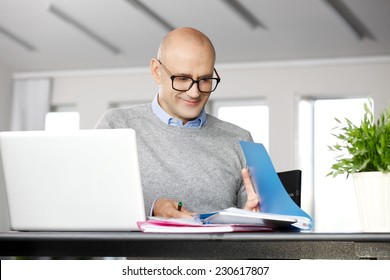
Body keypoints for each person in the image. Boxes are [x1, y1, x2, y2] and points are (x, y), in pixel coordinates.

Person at [95, 27, 259, 218]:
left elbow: (256, 221)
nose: (194, 92)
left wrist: (255, 221)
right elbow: (89, 202)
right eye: (182, 79)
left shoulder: (240, 140)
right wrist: (151, 208)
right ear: (156, 71)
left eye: (205, 80)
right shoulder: (117, 126)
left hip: (218, 249)